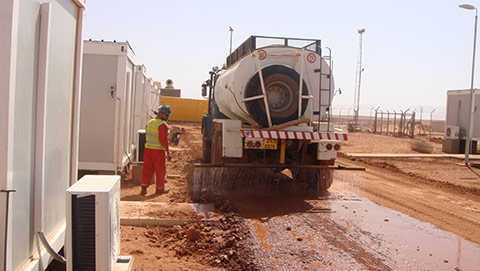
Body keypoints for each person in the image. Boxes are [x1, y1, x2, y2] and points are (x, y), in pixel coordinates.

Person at [140, 105, 172, 195]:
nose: (167, 117)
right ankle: (160, 189)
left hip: (148, 149)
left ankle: (144, 187)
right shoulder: (162, 125)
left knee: (147, 169)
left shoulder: (150, 123)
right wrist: (168, 153)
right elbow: (164, 141)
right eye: (166, 115)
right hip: (158, 151)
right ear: (161, 114)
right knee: (160, 170)